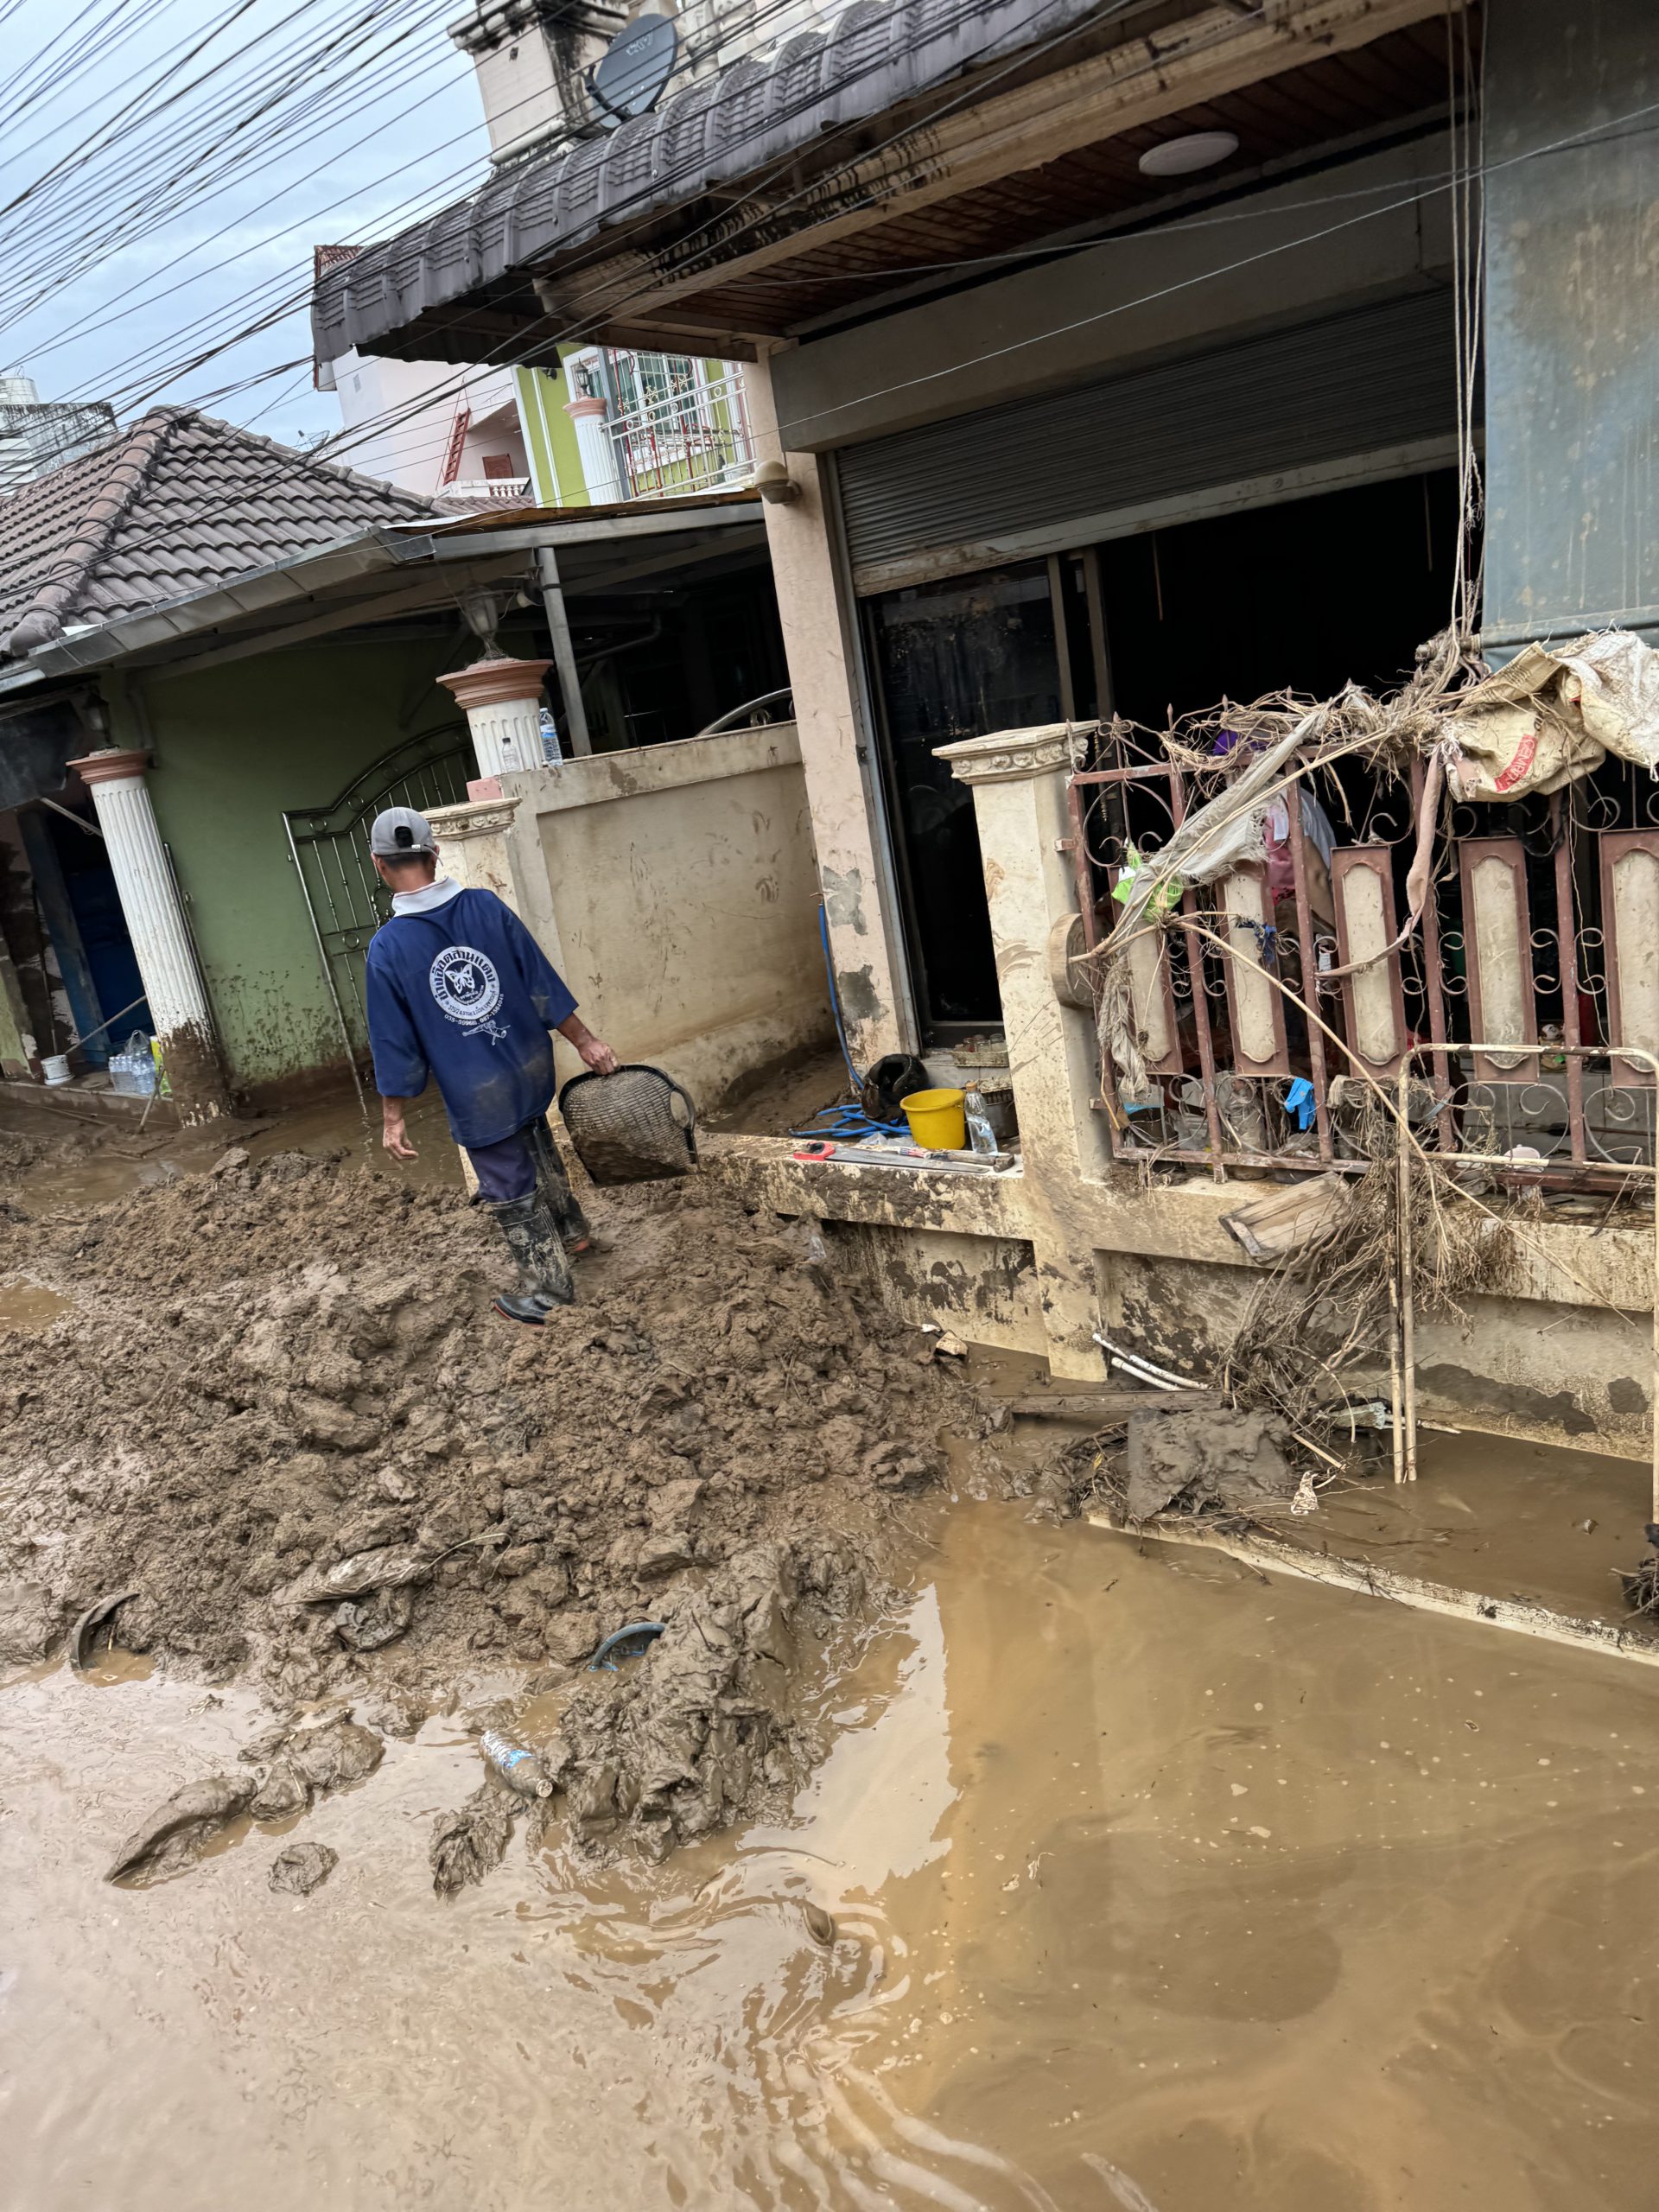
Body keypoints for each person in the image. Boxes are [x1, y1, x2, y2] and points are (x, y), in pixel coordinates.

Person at [363, 804, 618, 1324]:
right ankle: (574, 1236)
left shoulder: (388, 948)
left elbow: (394, 1042)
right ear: (435, 855)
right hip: (526, 1062)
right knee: (536, 1140)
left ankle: (548, 1291)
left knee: (506, 1176)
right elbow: (539, 982)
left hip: (474, 1082)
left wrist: (393, 1116)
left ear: (378, 864)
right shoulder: (486, 906)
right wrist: (586, 1042)